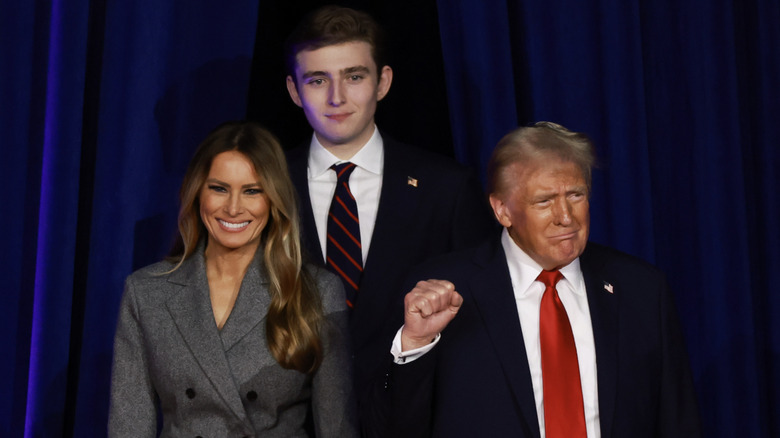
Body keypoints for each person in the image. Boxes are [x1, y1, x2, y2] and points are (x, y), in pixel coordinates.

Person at [379, 122, 701, 437]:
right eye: (545, 201)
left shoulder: (641, 290)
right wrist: (416, 345)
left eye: (576, 195)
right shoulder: (445, 293)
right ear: (502, 210)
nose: (565, 216)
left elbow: (678, 422)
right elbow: (397, 425)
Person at [282, 4, 496, 407]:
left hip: (417, 416)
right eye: (317, 80)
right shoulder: (265, 185)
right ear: (294, 91)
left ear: (383, 82)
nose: (336, 97)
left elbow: (481, 319)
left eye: (354, 77)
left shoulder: (446, 188)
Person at [108, 121, 358, 437]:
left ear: (273, 199)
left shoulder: (317, 291)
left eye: (252, 191)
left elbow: (337, 427)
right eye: (219, 188)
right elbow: (128, 426)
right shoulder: (146, 292)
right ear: (198, 192)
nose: (233, 208)